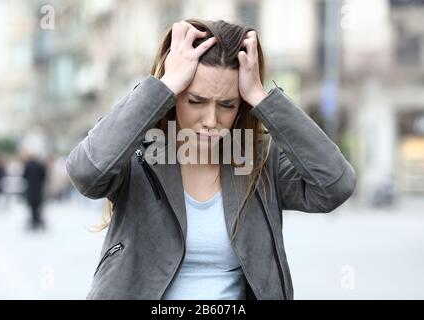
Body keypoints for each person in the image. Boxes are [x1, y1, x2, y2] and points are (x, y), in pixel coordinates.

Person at [66, 19, 356, 300]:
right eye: (195, 101)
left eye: (227, 105)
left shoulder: (260, 157)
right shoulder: (137, 149)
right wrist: (161, 87)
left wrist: (261, 97)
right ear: (175, 95)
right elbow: (85, 172)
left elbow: (335, 185)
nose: (211, 120)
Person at [23, 153, 47, 231]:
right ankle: (38, 220)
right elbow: (44, 176)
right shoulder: (40, 166)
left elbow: (24, 176)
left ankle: (34, 221)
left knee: (32, 207)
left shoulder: (27, 166)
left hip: (30, 190)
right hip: (39, 190)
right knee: (38, 207)